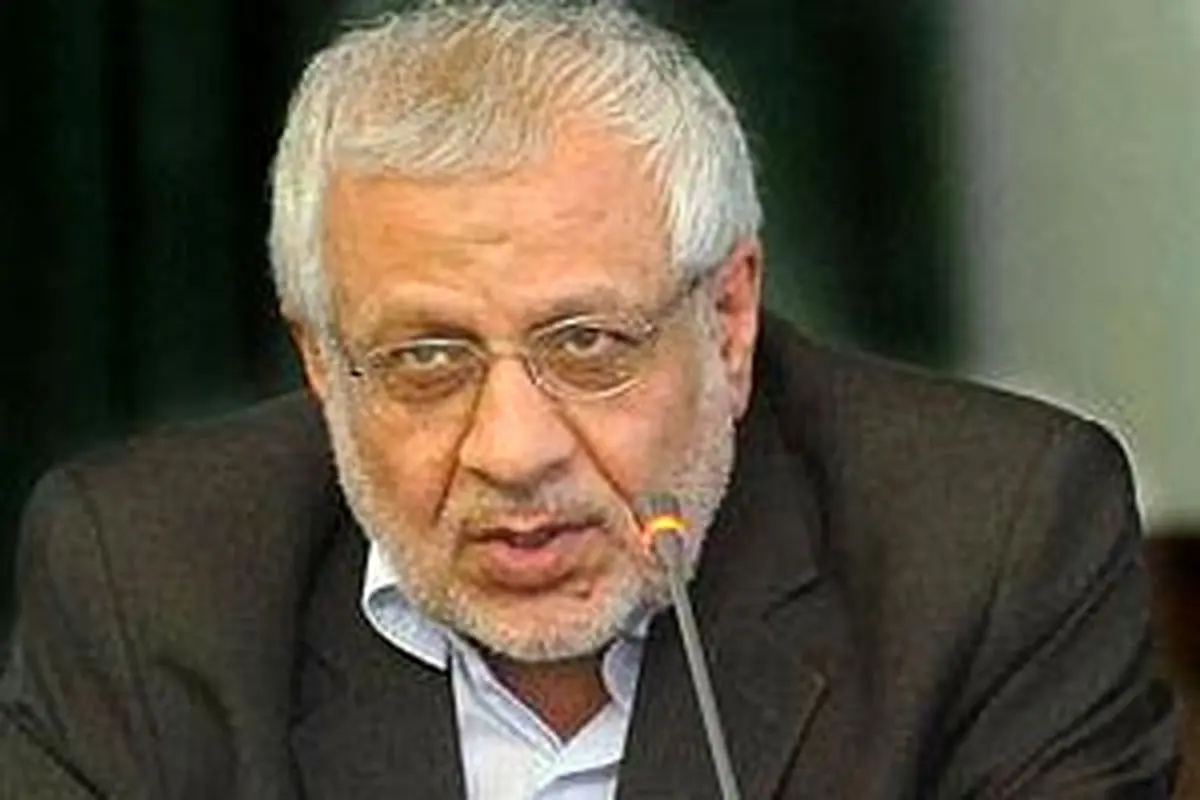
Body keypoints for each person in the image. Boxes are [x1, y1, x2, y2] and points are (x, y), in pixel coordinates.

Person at [0, 2, 1180, 797]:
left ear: (729, 318)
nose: (514, 449)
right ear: (319, 358)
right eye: (426, 359)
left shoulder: (991, 545)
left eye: (589, 345)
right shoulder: (145, 581)